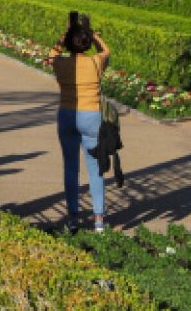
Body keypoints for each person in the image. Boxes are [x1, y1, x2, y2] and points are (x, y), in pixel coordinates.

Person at [49, 12, 110, 232]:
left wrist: (67, 32)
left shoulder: (60, 63)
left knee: (70, 167)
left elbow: (53, 53)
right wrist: (93, 35)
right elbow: (106, 51)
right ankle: (99, 219)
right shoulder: (96, 62)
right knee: (95, 169)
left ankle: (73, 217)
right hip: (91, 115)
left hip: (67, 114)